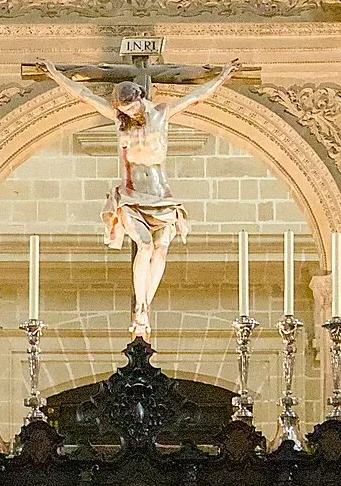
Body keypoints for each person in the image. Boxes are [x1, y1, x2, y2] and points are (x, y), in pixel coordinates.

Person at [41, 59, 239, 340]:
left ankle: (146, 306)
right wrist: (56, 74)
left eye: (132, 108)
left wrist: (222, 77)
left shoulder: (162, 114)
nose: (129, 114)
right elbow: (83, 95)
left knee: (160, 251)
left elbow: (196, 96)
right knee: (144, 246)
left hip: (161, 198)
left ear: (142, 97)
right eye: (124, 110)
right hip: (131, 197)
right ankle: (141, 312)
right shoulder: (121, 123)